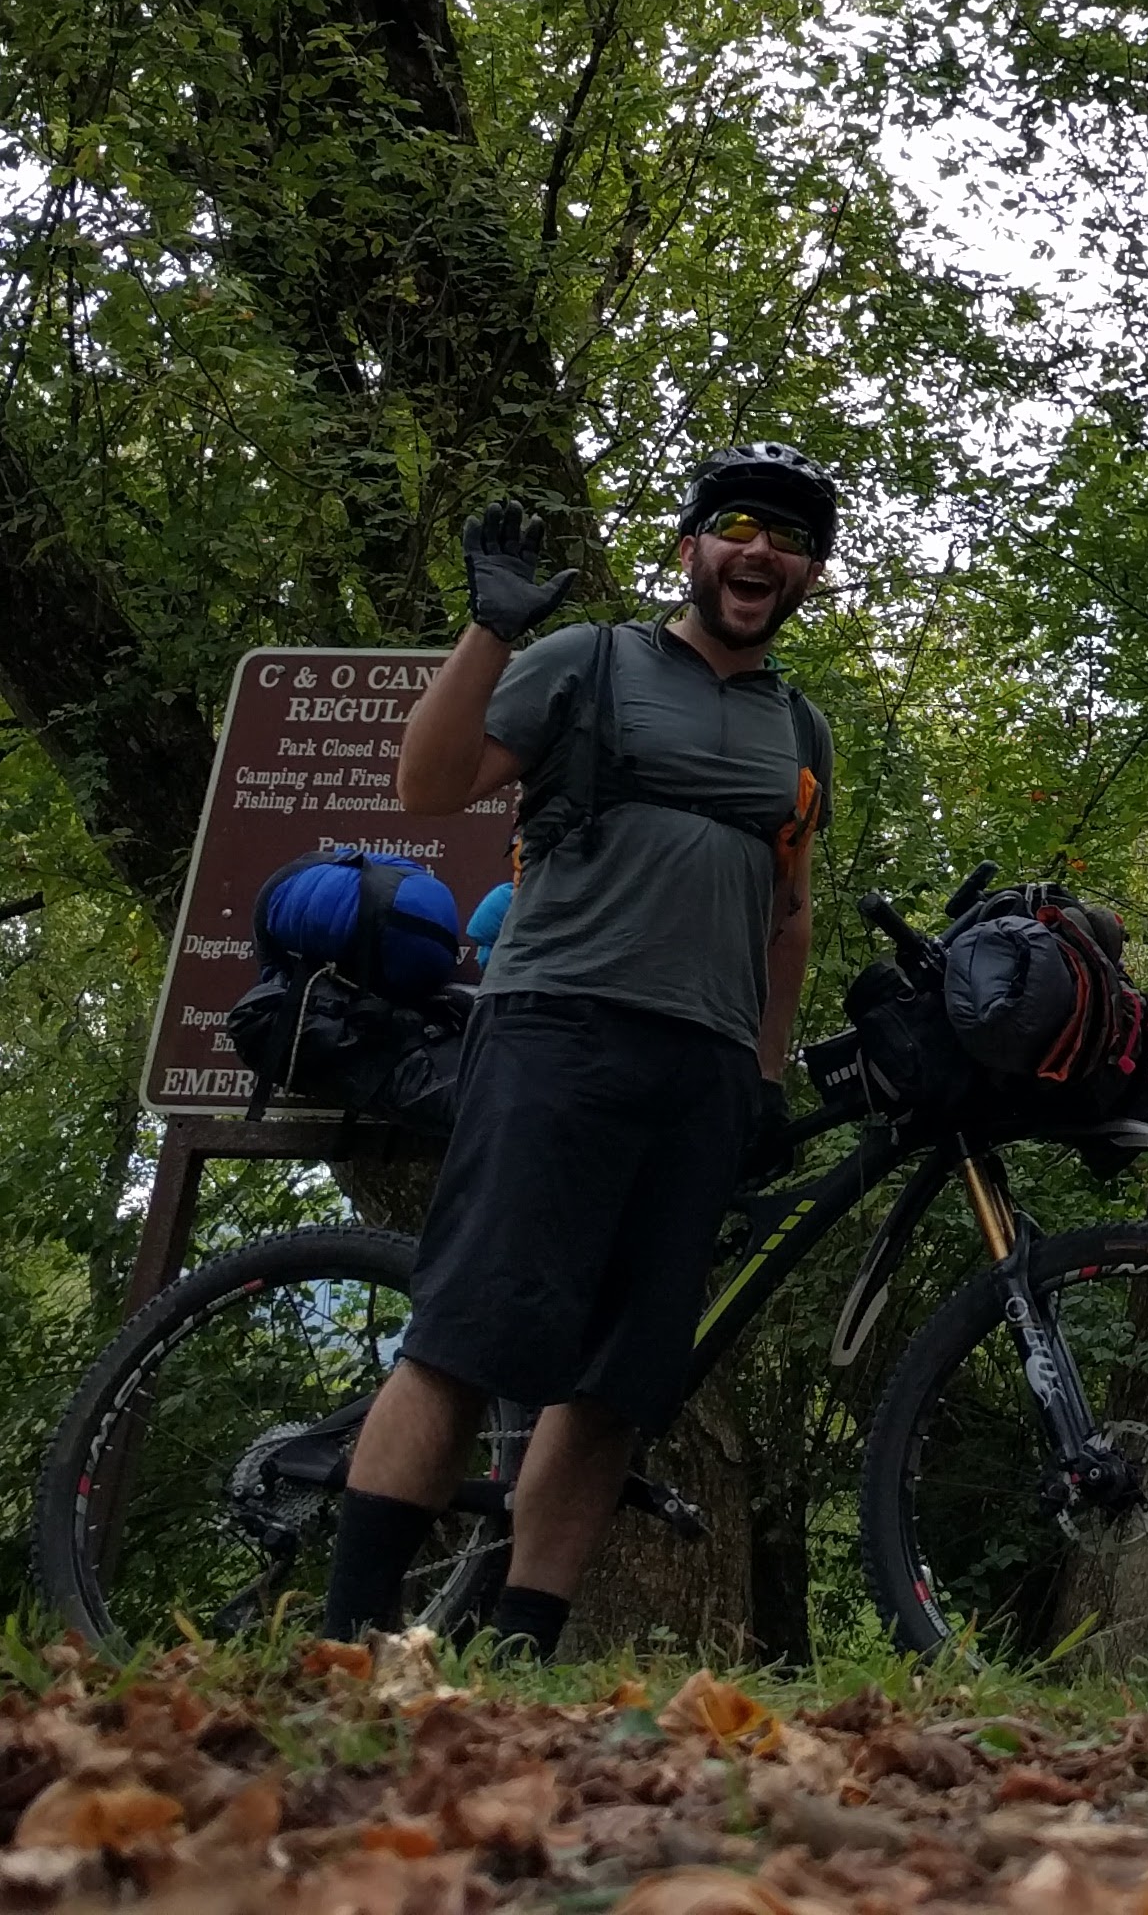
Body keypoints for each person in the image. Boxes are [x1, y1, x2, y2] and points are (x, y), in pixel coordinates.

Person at [321, 445, 840, 1657]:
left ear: (809, 574)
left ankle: (521, 1647)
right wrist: (489, 634)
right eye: (739, 528)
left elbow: (790, 912)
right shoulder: (591, 660)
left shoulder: (800, 727)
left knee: (618, 1382)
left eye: (789, 540)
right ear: (693, 547)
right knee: (464, 1339)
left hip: (704, 1070)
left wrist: (764, 1074)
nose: (760, 552)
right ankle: (348, 1640)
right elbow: (428, 784)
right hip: (557, 1030)